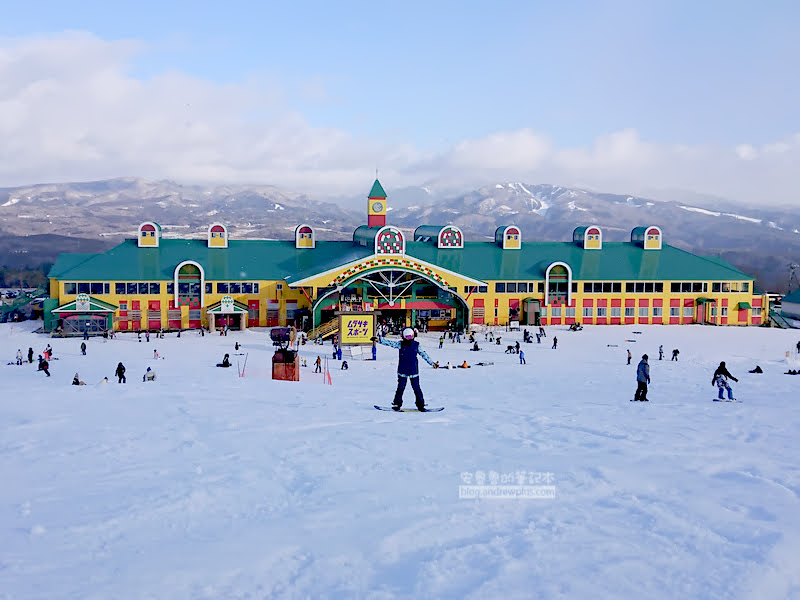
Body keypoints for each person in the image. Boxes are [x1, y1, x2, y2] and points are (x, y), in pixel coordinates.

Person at [374, 327, 436, 411]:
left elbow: (424, 354)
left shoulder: (416, 345)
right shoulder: (401, 344)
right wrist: (379, 340)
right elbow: (390, 343)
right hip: (403, 370)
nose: (409, 339)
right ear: (403, 337)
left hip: (413, 370)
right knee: (400, 388)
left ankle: (420, 405)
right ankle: (397, 404)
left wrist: (432, 363)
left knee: (416, 388)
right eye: (407, 337)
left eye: (410, 337)